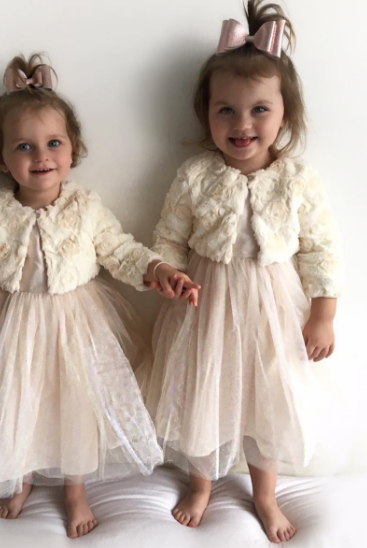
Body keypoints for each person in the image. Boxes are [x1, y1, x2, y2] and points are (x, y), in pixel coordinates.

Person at [0, 53, 199, 539]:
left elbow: (118, 250)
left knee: (72, 407)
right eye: (24, 146)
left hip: (75, 324)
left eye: (53, 143)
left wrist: (157, 268)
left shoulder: (84, 206)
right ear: (2, 159)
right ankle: (20, 479)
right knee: (17, 404)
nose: (41, 156)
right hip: (11, 325)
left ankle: (75, 489)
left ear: (72, 148)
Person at [145, 1, 344, 543]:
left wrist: (323, 314)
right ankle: (201, 483)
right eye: (226, 110)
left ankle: (264, 493)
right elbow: (168, 237)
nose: (242, 124)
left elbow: (321, 249)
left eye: (259, 109)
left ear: (285, 115)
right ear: (205, 115)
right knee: (203, 396)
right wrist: (167, 273)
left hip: (272, 309)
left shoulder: (297, 180)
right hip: (205, 306)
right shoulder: (195, 174)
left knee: (267, 399)